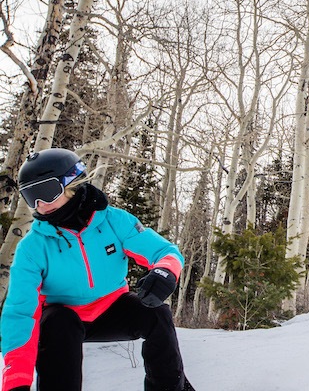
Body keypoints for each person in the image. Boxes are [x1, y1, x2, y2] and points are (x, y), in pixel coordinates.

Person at [0, 148, 192, 391]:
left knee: (156, 314)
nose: (39, 205)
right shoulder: (33, 247)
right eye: (30, 197)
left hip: (111, 308)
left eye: (45, 192)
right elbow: (20, 314)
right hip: (64, 320)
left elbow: (164, 252)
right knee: (59, 322)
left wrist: (165, 271)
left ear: (71, 183)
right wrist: (16, 382)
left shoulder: (114, 221)